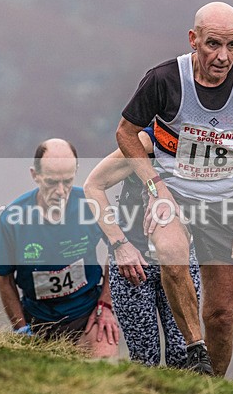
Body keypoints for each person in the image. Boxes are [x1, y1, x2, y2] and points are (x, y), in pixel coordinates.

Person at [115, 2, 233, 376]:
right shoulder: (165, 79)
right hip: (173, 193)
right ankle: (195, 351)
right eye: (212, 44)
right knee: (172, 252)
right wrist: (156, 188)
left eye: (231, 45)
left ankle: (212, 388)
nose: (221, 56)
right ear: (193, 40)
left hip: (226, 202)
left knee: (222, 314)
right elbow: (126, 133)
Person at [84, 127, 203, 367]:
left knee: (184, 356)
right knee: (144, 360)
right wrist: (119, 244)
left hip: (182, 260)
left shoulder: (204, 141)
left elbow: (211, 207)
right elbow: (93, 186)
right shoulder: (145, 141)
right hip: (134, 264)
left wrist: (228, 276)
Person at [0, 138, 119, 358]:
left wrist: (106, 304)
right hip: (37, 319)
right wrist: (21, 329)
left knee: (106, 368)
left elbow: (119, 250)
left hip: (87, 316)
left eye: (68, 181)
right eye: (52, 182)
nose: (61, 191)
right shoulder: (13, 218)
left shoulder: (91, 204)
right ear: (35, 175)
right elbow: (4, 278)